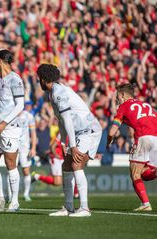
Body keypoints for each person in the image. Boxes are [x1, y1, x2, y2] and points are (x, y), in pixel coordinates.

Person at [37, 64, 102, 217]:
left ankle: (85, 208)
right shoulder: (53, 92)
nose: (38, 81)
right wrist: (64, 142)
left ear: (45, 79)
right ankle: (68, 207)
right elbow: (61, 120)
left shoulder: (58, 92)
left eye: (39, 78)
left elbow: (67, 119)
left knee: (75, 163)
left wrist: (72, 145)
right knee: (66, 165)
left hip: (88, 129)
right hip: (78, 131)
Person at [107, 83, 157, 211]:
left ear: (123, 94)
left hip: (143, 137)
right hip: (156, 138)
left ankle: (146, 204)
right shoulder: (146, 104)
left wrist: (108, 142)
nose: (117, 98)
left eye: (118, 95)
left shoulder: (123, 106)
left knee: (135, 174)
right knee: (145, 174)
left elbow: (112, 132)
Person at [0, 49, 25, 212]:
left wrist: (3, 123)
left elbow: (20, 105)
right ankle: (1, 198)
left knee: (10, 164)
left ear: (0, 60)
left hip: (9, 128)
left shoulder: (15, 80)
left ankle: (15, 201)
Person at [7, 109, 36, 202]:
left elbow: (33, 133)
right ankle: (10, 195)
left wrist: (33, 148)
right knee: (11, 170)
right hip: (12, 146)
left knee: (26, 170)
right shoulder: (10, 113)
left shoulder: (29, 116)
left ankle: (26, 194)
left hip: (25, 147)